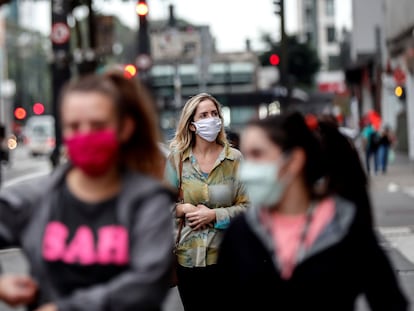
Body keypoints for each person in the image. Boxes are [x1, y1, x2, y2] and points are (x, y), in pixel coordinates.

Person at [0, 71, 175, 311]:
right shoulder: (39, 197)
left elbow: (145, 286)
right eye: (74, 126)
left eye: (98, 125)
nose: (85, 135)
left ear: (124, 128)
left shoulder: (147, 202)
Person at [216, 111, 408, 310]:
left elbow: (390, 301)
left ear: (294, 161)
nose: (247, 170)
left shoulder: (344, 225)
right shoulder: (241, 231)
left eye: (257, 154)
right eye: (246, 156)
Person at [164, 92, 250, 311]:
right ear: (192, 125)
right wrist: (182, 208)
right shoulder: (176, 160)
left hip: (228, 259)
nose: (211, 118)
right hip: (189, 261)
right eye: (203, 115)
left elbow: (250, 209)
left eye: (214, 113)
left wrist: (214, 215)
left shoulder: (235, 160)